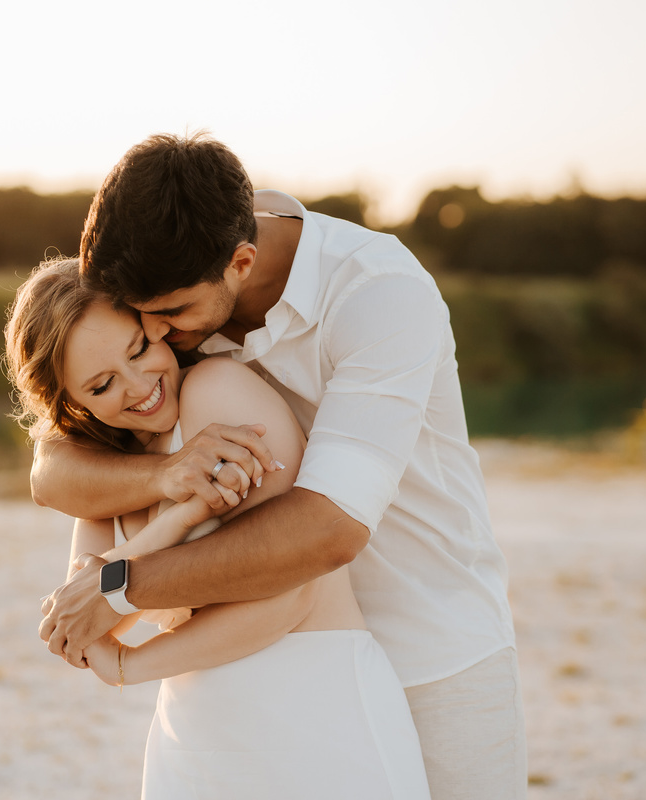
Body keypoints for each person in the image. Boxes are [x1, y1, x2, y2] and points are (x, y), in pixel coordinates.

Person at [36, 133, 527, 800]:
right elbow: (52, 463)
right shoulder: (174, 275)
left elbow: (328, 530)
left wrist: (121, 586)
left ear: (242, 262)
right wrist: (163, 475)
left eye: (167, 316)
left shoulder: (378, 294)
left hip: (433, 645)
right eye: (139, 321)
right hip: (261, 654)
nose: (155, 336)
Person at [5, 257, 430, 798]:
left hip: (316, 714)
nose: (139, 386)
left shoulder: (216, 392)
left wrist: (131, 666)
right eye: (103, 384)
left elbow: (289, 595)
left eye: (138, 350)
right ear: (72, 403)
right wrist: (179, 514)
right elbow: (87, 617)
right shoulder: (107, 472)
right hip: (196, 734)